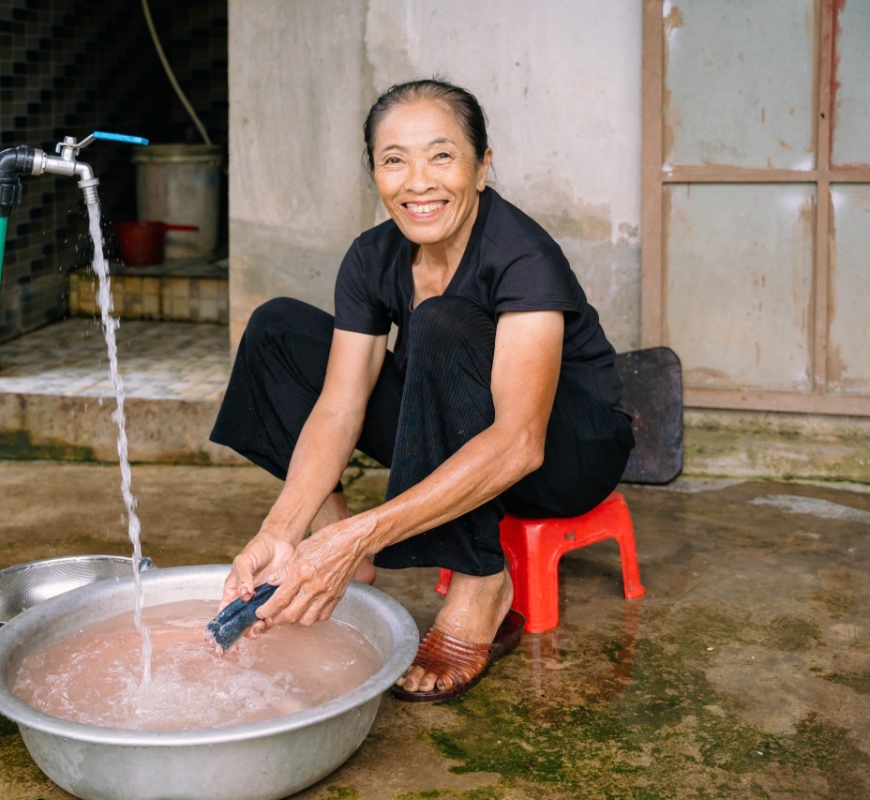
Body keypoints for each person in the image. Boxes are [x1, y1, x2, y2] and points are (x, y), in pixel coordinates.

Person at [210, 78, 634, 702]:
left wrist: (368, 531)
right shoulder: (373, 256)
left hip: (567, 451)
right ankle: (333, 545)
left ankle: (482, 584)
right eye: (394, 160)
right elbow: (340, 403)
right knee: (278, 329)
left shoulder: (522, 255)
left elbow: (520, 442)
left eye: (441, 155)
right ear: (375, 174)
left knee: (443, 319)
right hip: (456, 416)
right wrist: (284, 529)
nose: (418, 182)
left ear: (482, 166)